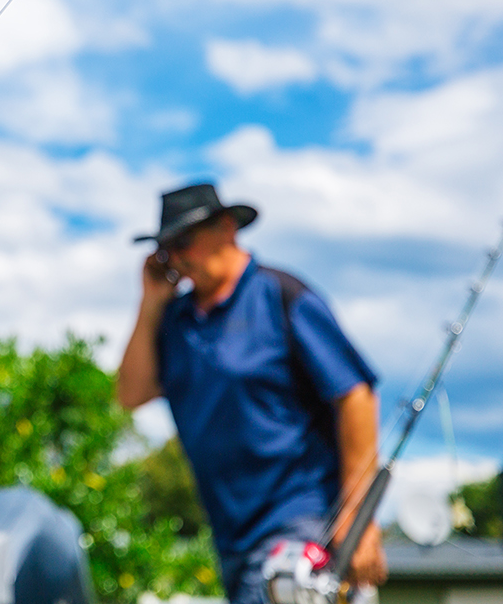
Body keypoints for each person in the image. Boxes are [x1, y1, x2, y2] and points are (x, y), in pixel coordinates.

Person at [115, 183, 387, 603]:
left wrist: (357, 515)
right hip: (230, 536)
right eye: (166, 250)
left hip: (300, 521)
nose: (178, 259)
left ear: (227, 228)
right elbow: (131, 394)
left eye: (183, 242)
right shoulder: (175, 322)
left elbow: (355, 394)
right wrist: (150, 304)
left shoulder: (280, 295)